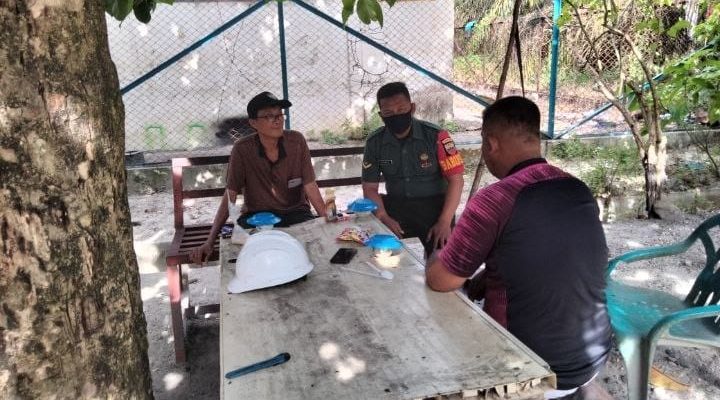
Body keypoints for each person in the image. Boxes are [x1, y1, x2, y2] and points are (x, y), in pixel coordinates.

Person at [425, 96, 612, 399]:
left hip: (531, 367)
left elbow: (441, 280)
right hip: (591, 358)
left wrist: (436, 255)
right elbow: (554, 255)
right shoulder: (577, 188)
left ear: (491, 144)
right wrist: (493, 272)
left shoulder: (495, 199)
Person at [190, 92, 325, 264]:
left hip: (296, 214)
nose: (277, 120)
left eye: (279, 115)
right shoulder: (242, 149)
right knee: (251, 260)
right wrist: (210, 241)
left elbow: (310, 186)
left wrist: (327, 220)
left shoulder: (297, 141)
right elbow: (230, 195)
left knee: (309, 256)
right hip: (257, 218)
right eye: (269, 116)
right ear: (253, 123)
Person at [361, 82, 465, 257]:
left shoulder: (437, 136)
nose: (396, 115)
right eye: (388, 113)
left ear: (412, 108)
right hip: (396, 210)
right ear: (381, 115)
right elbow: (369, 188)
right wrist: (383, 217)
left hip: (435, 210)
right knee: (391, 260)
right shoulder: (375, 142)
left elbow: (457, 180)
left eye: (401, 109)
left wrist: (445, 221)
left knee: (440, 264)